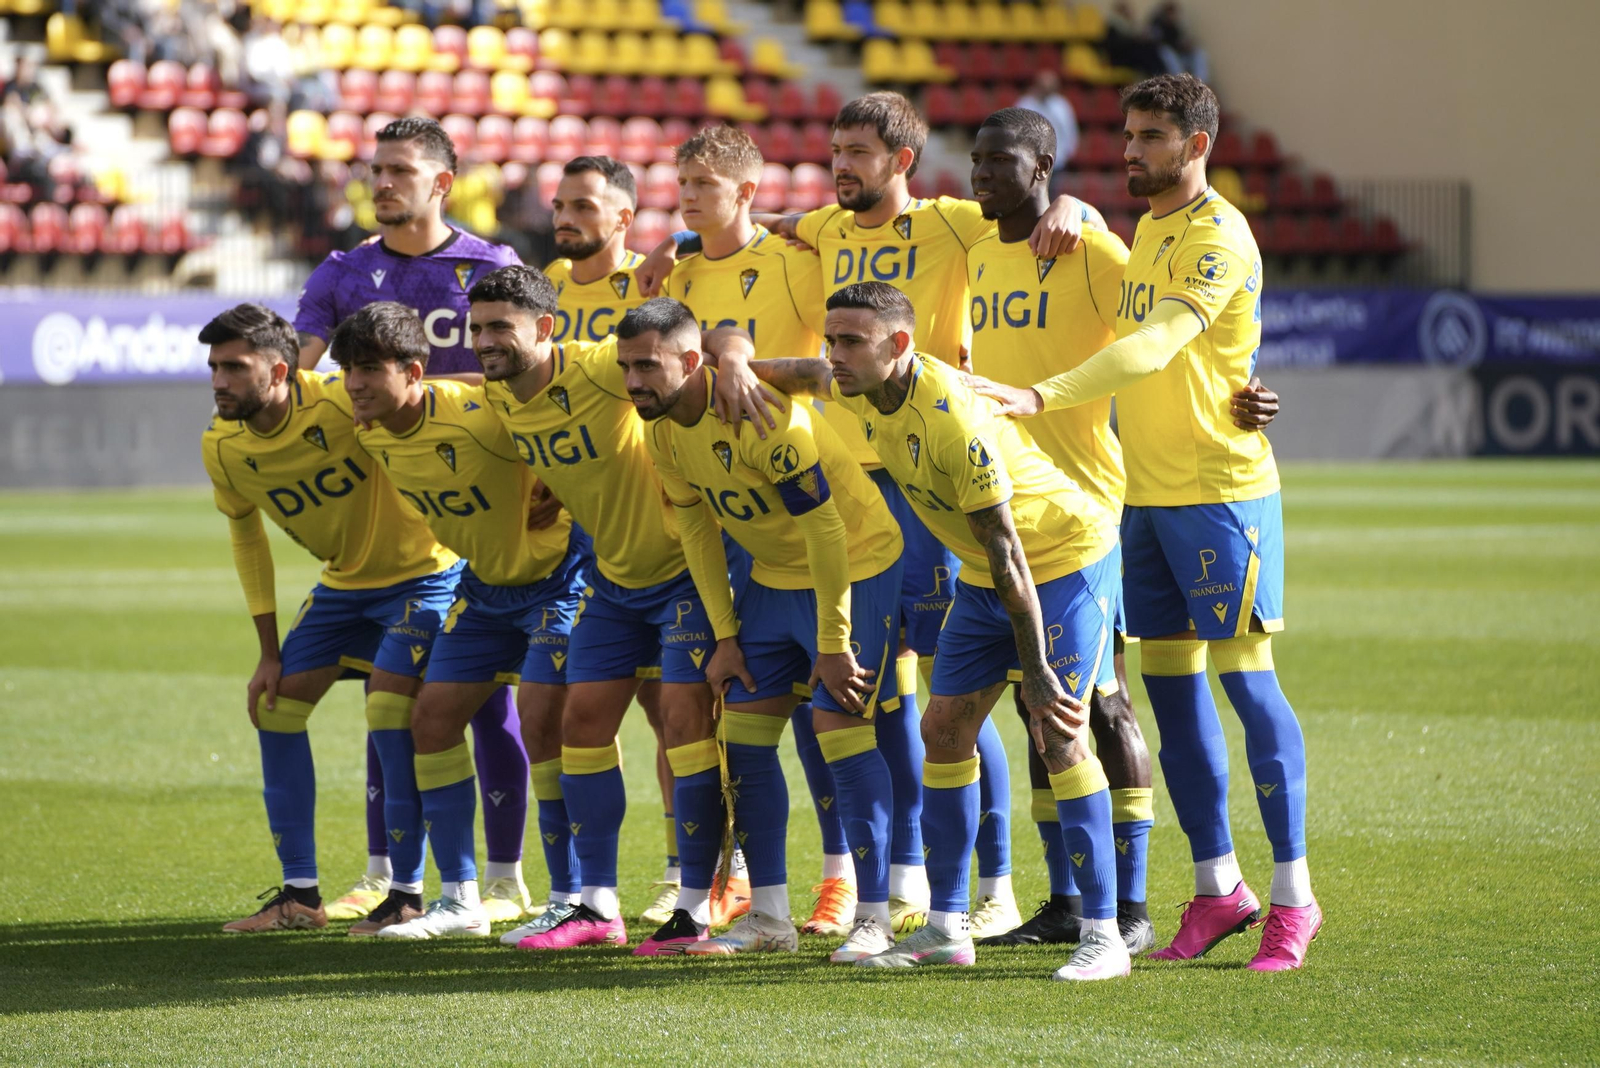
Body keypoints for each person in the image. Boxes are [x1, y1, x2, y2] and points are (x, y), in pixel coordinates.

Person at [644, 91, 1096, 936]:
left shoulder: (954, 223)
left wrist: (1075, 203)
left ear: (902, 164)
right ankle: (863, 879)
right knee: (868, 689)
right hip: (847, 480)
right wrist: (671, 244)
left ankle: (986, 882)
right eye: (835, 150)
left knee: (943, 687)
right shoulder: (818, 230)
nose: (840, 165)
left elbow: (1029, 206)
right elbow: (746, 224)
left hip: (934, 474)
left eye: (857, 152)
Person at [972, 74, 1319, 971]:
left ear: (1197, 144)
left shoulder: (1217, 234)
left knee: (1248, 685)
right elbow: (1130, 296)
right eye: (1127, 136)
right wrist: (1084, 211)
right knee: (1169, 695)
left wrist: (1038, 395)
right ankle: (1216, 889)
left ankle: (1294, 899)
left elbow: (1157, 341)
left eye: (1151, 138)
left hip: (1220, 490)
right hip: (1142, 496)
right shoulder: (1150, 228)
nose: (1131, 150)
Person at [713, 282, 1132, 981]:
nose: (835, 355)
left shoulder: (952, 421)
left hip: (1060, 562)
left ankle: (1103, 934)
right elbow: (801, 373)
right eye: (833, 338)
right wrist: (731, 359)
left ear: (900, 345)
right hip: (983, 573)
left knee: (1057, 729)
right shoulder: (864, 385)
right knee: (941, 731)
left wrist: (1035, 671)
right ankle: (947, 926)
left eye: (851, 342)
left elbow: (1009, 553)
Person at [654, 124, 909, 940]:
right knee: (753, 724)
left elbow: (840, 358)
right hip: (748, 519)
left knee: (870, 716)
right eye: (681, 181)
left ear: (745, 191)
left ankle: (874, 890)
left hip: (833, 498)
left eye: (701, 182)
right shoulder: (680, 272)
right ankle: (769, 908)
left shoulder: (797, 262)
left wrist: (741, 357)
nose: (687, 195)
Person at [292, 117, 536, 926]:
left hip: (480, 513)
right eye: (376, 168)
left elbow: (525, 379)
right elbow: (298, 369)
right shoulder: (342, 271)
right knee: (387, 694)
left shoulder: (490, 267)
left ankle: (501, 878)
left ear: (441, 184)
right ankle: (388, 872)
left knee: (491, 701)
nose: (381, 181)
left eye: (399, 169)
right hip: (386, 518)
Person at [623, 297, 907, 961]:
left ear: (692, 362)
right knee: (744, 742)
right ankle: (770, 921)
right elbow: (696, 528)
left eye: (647, 366)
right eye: (626, 367)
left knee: (841, 733)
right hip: (774, 579)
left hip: (855, 566)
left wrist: (833, 645)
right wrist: (724, 635)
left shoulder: (765, 417)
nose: (633, 382)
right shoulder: (661, 430)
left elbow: (827, 528)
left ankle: (873, 916)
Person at [476, 265, 748, 955]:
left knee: (685, 726)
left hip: (684, 573)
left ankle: (696, 905)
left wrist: (737, 357)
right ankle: (594, 905)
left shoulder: (601, 365)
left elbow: (702, 337)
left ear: (545, 328)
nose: (483, 340)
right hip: (613, 581)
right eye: (476, 327)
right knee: (582, 723)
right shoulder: (500, 394)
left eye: (498, 326)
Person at [324, 303, 591, 939]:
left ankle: (571, 897)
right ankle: (461, 899)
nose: (352, 384)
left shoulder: (478, 416)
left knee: (542, 723)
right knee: (431, 720)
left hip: (558, 581)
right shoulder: (371, 429)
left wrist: (555, 479)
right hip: (485, 587)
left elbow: (536, 404)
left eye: (366, 370)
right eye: (345, 371)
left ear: (413, 372)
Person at [198, 303, 460, 933]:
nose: (218, 381)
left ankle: (407, 892)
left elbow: (440, 393)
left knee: (388, 707)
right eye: (213, 367)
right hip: (343, 588)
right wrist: (268, 651)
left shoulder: (342, 399)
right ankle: (300, 894)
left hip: (424, 576)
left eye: (235, 367)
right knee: (274, 705)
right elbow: (248, 542)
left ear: (280, 370)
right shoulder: (222, 447)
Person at [540, 154, 688, 928]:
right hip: (587, 526)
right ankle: (589, 892)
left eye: (584, 206)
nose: (565, 216)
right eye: (561, 203)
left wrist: (687, 236)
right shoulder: (547, 291)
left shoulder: (660, 278)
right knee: (579, 711)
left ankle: (683, 873)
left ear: (624, 218)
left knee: (674, 715)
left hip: (666, 512)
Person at [1014, 71, 1078, 192]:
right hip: (1030, 159)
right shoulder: (1026, 104)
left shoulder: (1062, 106)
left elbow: (1070, 132)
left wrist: (1067, 153)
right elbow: (1016, 131)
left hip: (1056, 161)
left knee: (1051, 193)